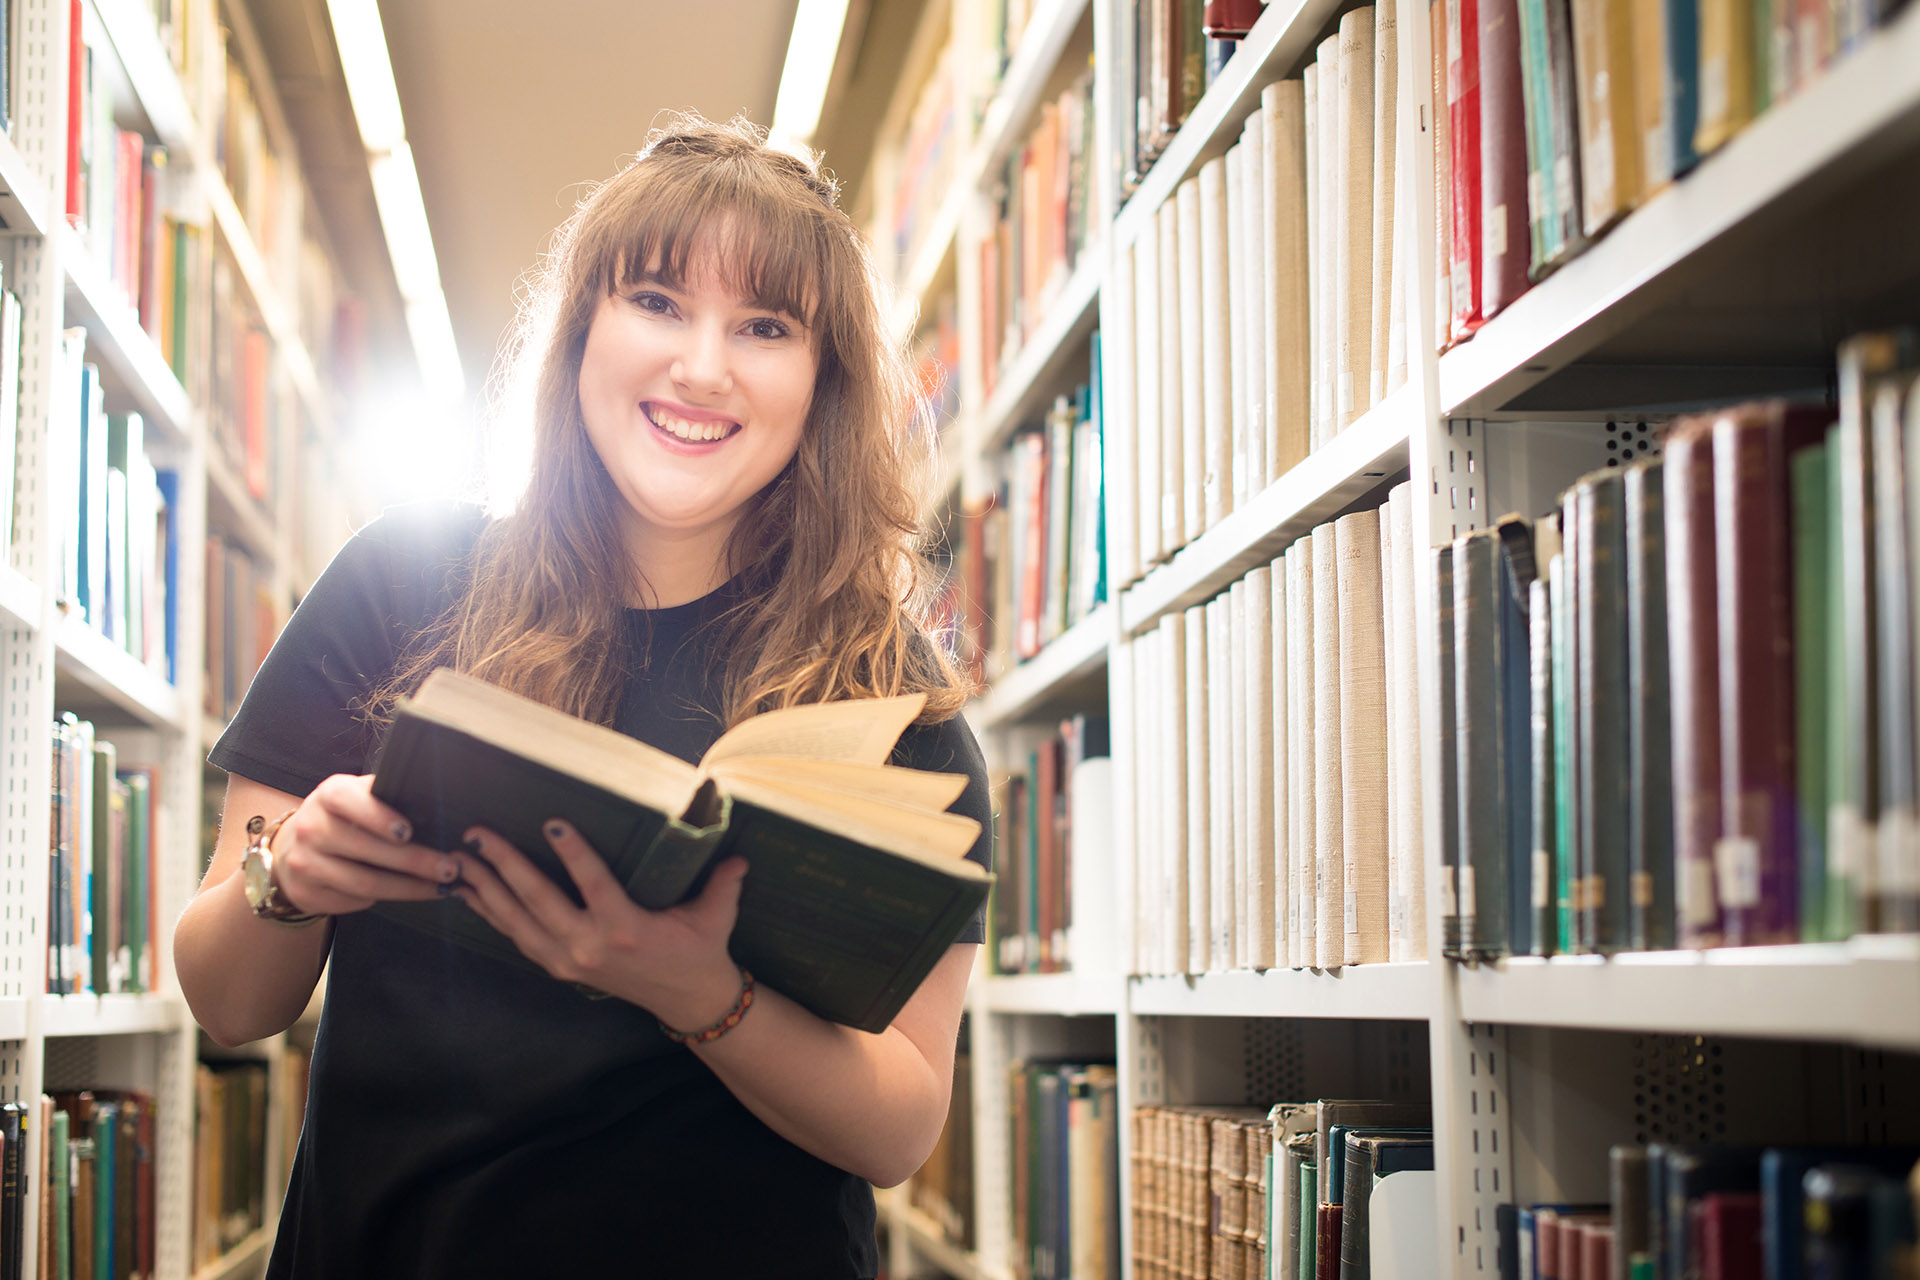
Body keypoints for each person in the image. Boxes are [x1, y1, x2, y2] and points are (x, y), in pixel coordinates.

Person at [173, 114, 991, 1279]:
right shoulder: (398, 581)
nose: (702, 365)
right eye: (657, 301)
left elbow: (902, 1123)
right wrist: (287, 875)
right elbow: (224, 999)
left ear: (823, 384)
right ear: (581, 332)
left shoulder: (887, 700)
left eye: (763, 326)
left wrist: (695, 990)